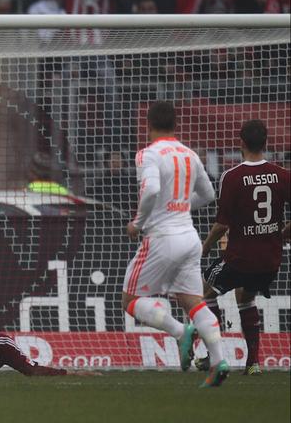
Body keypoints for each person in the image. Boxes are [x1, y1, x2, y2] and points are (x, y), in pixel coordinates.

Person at [123, 101, 229, 388]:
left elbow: (152, 190)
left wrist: (139, 222)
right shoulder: (189, 154)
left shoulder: (148, 154)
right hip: (190, 238)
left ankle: (180, 332)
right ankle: (219, 359)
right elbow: (208, 195)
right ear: (175, 125)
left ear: (147, 125)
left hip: (162, 238)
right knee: (193, 301)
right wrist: (179, 207)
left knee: (130, 301)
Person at [198, 120, 290, 375]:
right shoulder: (283, 175)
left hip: (239, 258)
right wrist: (284, 233)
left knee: (204, 294)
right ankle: (253, 363)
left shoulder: (232, 176)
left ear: (241, 143)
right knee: (245, 298)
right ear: (266, 143)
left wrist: (205, 248)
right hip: (270, 261)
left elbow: (220, 225)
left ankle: (213, 356)